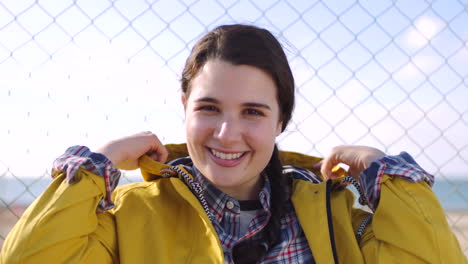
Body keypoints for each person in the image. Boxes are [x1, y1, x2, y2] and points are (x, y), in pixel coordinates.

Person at [1, 24, 466, 264]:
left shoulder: (334, 212)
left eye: (253, 112)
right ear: (183, 106)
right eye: (208, 108)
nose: (226, 134)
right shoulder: (130, 214)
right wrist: (95, 165)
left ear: (281, 120)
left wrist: (391, 175)